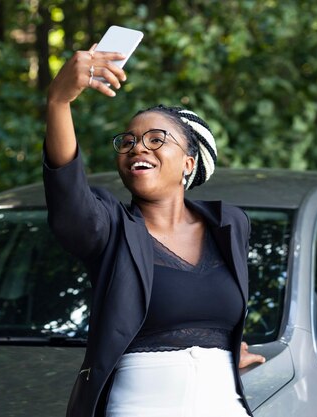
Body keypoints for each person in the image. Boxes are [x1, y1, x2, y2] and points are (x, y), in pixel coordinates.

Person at [43, 44, 265, 417]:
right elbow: (69, 203)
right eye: (127, 142)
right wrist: (59, 103)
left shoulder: (230, 225)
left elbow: (218, 316)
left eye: (156, 140)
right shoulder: (111, 229)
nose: (136, 148)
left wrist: (224, 350)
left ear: (188, 163)